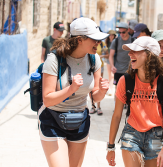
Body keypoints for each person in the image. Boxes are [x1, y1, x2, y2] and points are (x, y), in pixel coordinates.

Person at [38, 17, 109, 167]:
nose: (98, 43)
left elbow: (95, 96)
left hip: (80, 121)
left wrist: (102, 91)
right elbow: (47, 99)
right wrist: (71, 89)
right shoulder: (54, 59)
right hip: (52, 120)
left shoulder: (94, 59)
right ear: (79, 40)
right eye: (94, 39)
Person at [106, 36, 163, 167]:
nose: (129, 54)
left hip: (156, 135)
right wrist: (110, 147)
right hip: (132, 134)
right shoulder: (125, 81)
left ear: (149, 55)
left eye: (135, 51)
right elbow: (116, 116)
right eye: (130, 50)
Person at [109, 22, 133, 106]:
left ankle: (128, 106)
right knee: (117, 89)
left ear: (128, 30)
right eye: (120, 32)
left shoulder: (133, 41)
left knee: (129, 89)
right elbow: (111, 56)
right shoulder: (116, 41)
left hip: (130, 70)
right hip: (118, 70)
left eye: (124, 32)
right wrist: (112, 66)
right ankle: (117, 106)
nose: (121, 34)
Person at [90, 37, 107, 115]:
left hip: (99, 66)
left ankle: (98, 107)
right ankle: (93, 106)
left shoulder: (102, 44)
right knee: (90, 87)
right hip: (89, 67)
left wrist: (101, 57)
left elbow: (107, 54)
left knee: (97, 86)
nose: (98, 42)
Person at [104, 30, 117, 96]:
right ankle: (110, 89)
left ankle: (111, 89)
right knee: (110, 75)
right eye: (110, 35)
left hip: (116, 60)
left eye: (112, 35)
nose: (111, 36)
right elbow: (107, 52)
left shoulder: (116, 42)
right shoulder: (107, 42)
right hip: (109, 60)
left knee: (113, 75)